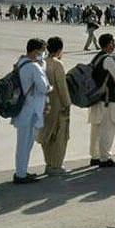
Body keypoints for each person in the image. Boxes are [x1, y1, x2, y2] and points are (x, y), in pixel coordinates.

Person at [13, 39, 51, 183]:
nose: (44, 54)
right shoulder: (34, 67)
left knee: (23, 143)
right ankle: (20, 174)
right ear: (36, 51)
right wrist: (50, 88)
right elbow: (43, 87)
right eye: (42, 50)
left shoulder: (21, 62)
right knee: (25, 143)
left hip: (24, 109)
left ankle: (22, 171)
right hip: (31, 111)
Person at [88, 33, 115, 167]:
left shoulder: (97, 57)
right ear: (109, 44)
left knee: (96, 128)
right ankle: (105, 157)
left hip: (96, 98)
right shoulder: (108, 59)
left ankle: (95, 156)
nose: (114, 45)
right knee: (108, 128)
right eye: (113, 42)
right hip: (108, 99)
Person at [37, 37, 71, 176]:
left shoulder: (41, 63)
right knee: (59, 137)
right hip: (58, 106)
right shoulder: (57, 64)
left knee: (46, 136)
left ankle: (49, 163)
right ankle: (56, 165)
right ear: (59, 49)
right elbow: (62, 87)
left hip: (44, 106)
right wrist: (67, 104)